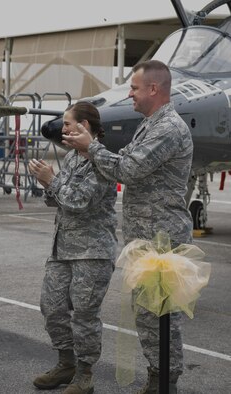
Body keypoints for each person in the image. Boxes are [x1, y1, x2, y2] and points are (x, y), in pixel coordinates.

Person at [62, 60, 193, 394]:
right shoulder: (149, 124)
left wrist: (90, 147)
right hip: (146, 240)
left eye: (134, 88)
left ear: (153, 89)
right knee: (148, 314)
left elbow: (129, 170)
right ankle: (158, 377)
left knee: (159, 317)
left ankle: (165, 381)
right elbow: (122, 168)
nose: (130, 94)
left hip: (161, 240)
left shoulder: (167, 128)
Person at [28, 102, 117, 394]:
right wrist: (48, 181)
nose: (62, 129)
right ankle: (65, 364)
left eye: (67, 124)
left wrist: (51, 180)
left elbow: (79, 202)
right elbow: (60, 199)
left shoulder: (101, 160)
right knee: (51, 307)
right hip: (63, 247)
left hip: (91, 252)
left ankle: (85, 374)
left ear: (85, 126)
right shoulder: (74, 158)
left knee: (84, 315)